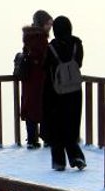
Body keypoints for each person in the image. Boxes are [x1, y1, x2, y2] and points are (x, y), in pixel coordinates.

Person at [43, 16, 86, 171]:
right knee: (72, 123)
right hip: (75, 90)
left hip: (56, 90)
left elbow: (46, 66)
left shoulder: (51, 47)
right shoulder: (77, 44)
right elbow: (79, 63)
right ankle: (76, 157)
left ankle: (59, 161)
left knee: (57, 124)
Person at [20, 10, 53, 149]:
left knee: (31, 107)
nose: (50, 27)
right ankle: (46, 137)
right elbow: (46, 58)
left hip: (29, 79)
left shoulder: (29, 38)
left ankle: (32, 139)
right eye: (48, 24)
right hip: (41, 78)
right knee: (44, 107)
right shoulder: (41, 39)